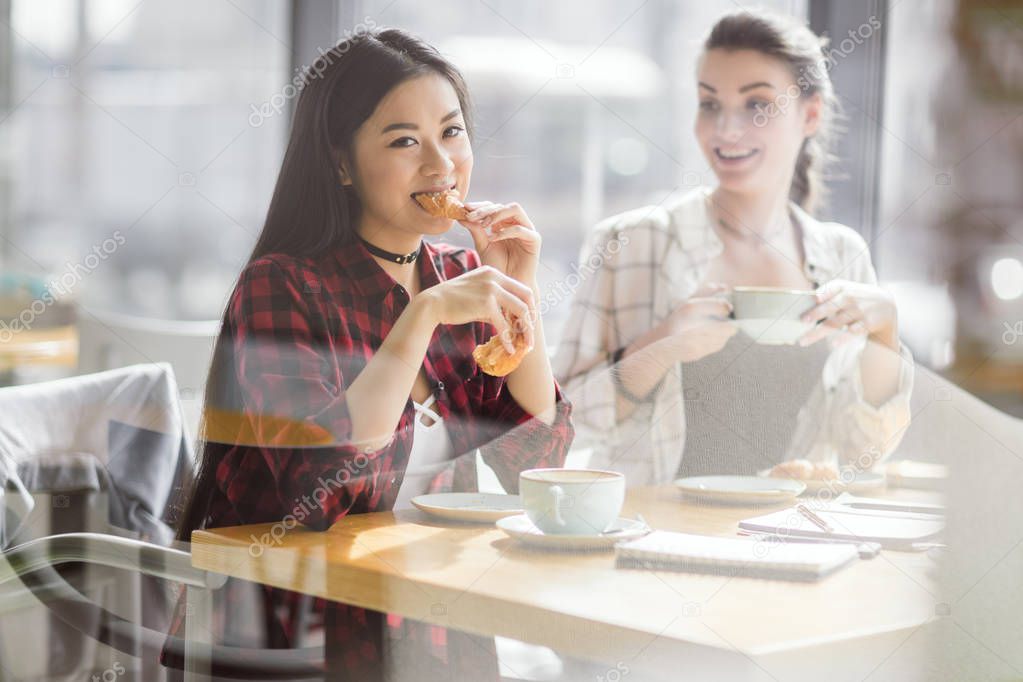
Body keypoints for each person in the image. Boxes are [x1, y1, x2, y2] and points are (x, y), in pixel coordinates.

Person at [167, 28, 573, 681]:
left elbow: (536, 464)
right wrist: (423, 316)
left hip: (435, 623)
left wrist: (521, 296)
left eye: (452, 132)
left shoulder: (458, 277)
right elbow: (315, 493)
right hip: (299, 636)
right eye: (403, 141)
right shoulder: (281, 286)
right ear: (341, 163)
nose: (440, 163)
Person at [555, 10, 913, 484]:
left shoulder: (843, 257)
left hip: (791, 542)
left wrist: (885, 331)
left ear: (810, 114)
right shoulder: (630, 243)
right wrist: (659, 346)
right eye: (709, 104)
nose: (725, 130)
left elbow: (865, 449)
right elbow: (556, 427)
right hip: (652, 541)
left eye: (756, 105)